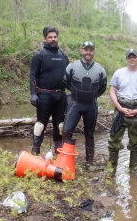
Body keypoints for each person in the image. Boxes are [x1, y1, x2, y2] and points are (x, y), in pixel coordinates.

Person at [107, 48, 137, 175]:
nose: (132, 59)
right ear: (126, 59)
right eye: (129, 57)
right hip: (120, 109)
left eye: (134, 57)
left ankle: (133, 172)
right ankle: (111, 172)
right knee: (113, 141)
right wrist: (120, 108)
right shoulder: (119, 73)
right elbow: (112, 91)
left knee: (136, 142)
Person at [62, 41, 107, 170]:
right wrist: (76, 93)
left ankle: (89, 163)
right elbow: (66, 81)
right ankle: (66, 159)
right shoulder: (72, 66)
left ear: (94, 52)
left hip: (91, 105)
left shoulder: (100, 70)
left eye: (91, 50)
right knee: (66, 130)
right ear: (81, 51)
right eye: (86, 50)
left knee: (90, 134)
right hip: (75, 103)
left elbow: (103, 88)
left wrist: (92, 95)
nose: (88, 52)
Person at [29, 26, 69, 155]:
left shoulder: (63, 56)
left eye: (55, 37)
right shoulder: (39, 56)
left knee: (60, 125)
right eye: (50, 37)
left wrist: (72, 93)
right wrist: (33, 93)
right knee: (40, 125)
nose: (53, 39)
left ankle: (58, 150)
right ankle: (35, 150)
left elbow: (68, 77)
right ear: (45, 39)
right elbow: (33, 76)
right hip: (44, 96)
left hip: (61, 95)